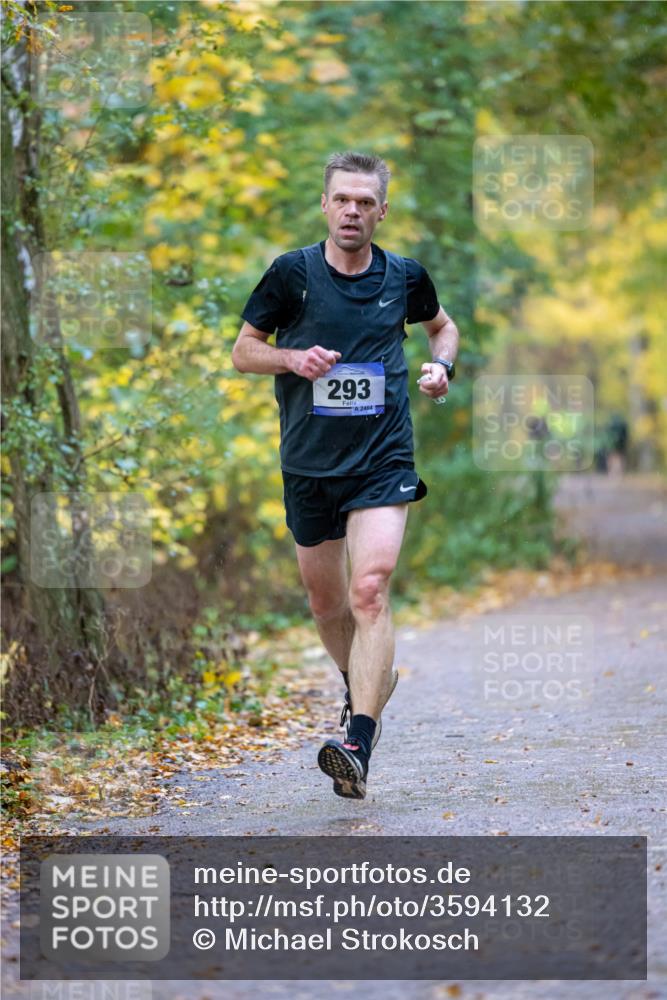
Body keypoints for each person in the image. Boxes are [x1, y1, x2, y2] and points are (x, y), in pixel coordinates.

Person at [232, 151, 459, 800]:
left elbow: (443, 330)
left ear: (381, 211)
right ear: (324, 205)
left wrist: (441, 368)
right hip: (309, 465)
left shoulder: (404, 277)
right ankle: (360, 681)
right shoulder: (291, 277)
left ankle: (358, 736)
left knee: (369, 589)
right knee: (327, 604)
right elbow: (243, 351)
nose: (352, 210)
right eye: (342, 199)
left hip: (382, 458)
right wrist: (291, 358)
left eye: (365, 201)